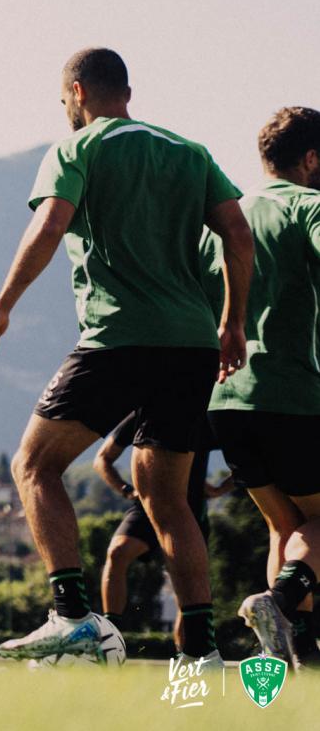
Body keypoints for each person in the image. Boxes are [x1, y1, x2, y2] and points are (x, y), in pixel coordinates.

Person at [0, 47, 254, 665]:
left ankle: (72, 616)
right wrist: (231, 322)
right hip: (192, 344)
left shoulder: (79, 147)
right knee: (168, 499)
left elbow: (49, 226)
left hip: (120, 338)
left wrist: (2, 306)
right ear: (126, 89)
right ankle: (201, 653)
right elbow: (237, 232)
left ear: (76, 92)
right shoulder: (190, 151)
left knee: (34, 465)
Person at [203, 107, 320, 668]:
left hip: (227, 399)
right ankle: (278, 604)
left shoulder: (227, 217)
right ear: (312, 159)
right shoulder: (309, 207)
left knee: (285, 527)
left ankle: (288, 657)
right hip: (293, 394)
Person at [94, 413, 231, 639]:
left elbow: (251, 453)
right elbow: (102, 458)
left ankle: (187, 652)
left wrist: (221, 489)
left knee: (187, 586)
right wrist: (126, 489)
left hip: (190, 509)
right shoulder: (143, 410)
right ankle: (110, 634)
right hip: (147, 504)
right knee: (118, 552)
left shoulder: (206, 415)